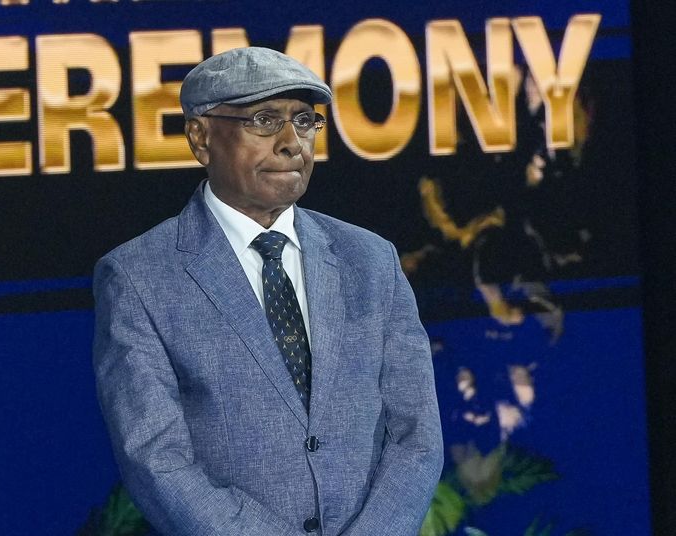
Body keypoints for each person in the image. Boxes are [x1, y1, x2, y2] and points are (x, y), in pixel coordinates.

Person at [93, 46, 443, 536]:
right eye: (263, 119)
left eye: (304, 121)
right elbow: (155, 459)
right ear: (201, 136)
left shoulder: (370, 260)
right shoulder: (138, 276)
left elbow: (417, 434)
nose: (291, 143)